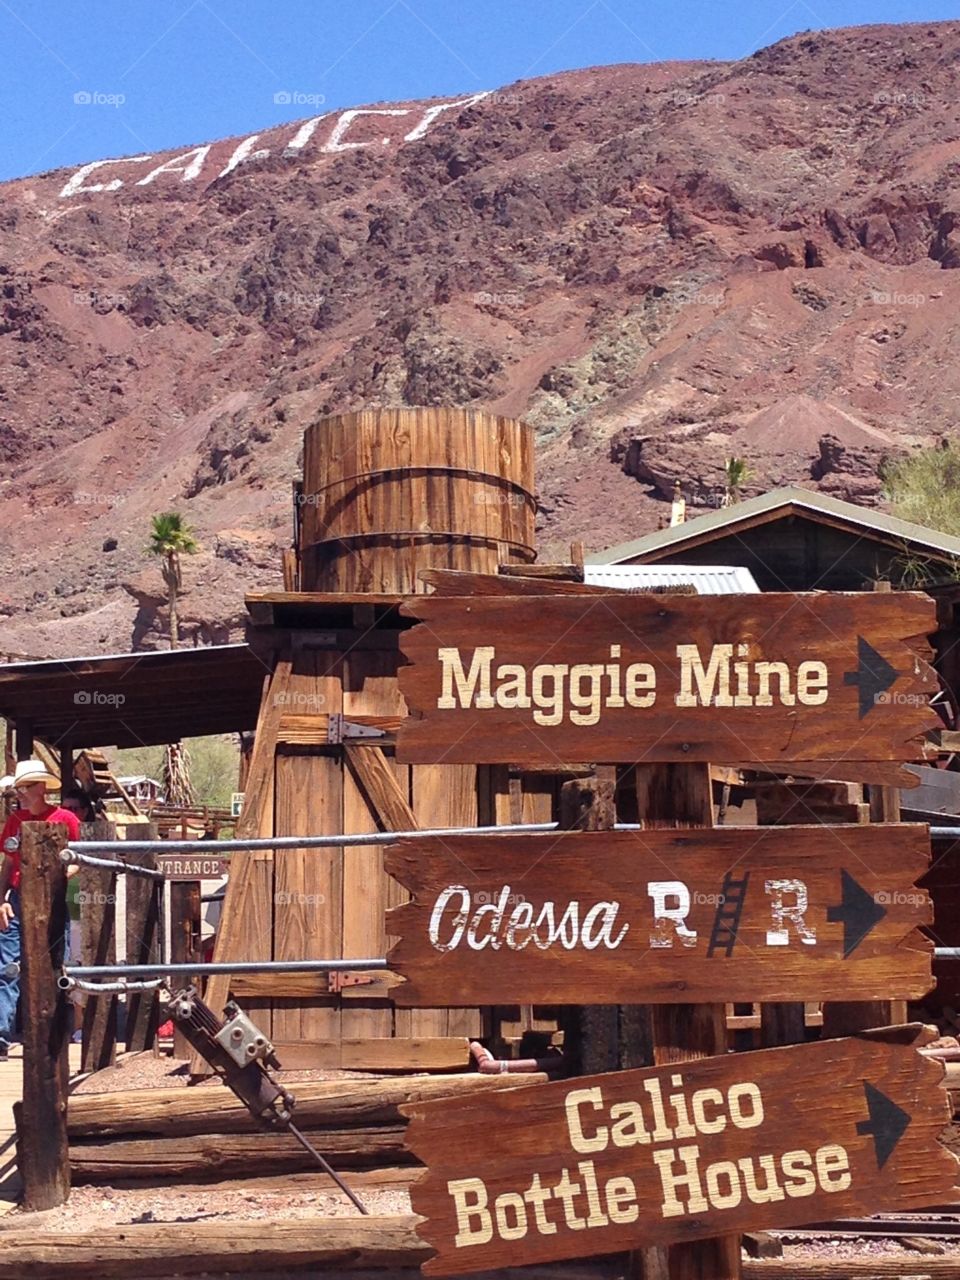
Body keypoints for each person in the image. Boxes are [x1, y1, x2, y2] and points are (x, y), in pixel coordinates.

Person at [0, 760, 80, 1060]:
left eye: (23, 788)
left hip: (54, 899)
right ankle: (1, 1036)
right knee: (7, 968)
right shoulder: (14, 821)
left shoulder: (66, 819)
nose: (19, 794)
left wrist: (54, 878)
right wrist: (1, 899)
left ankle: (54, 1033)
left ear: (40, 788)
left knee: (55, 964)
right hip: (20, 898)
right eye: (17, 788)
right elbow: (8, 863)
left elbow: (78, 860)